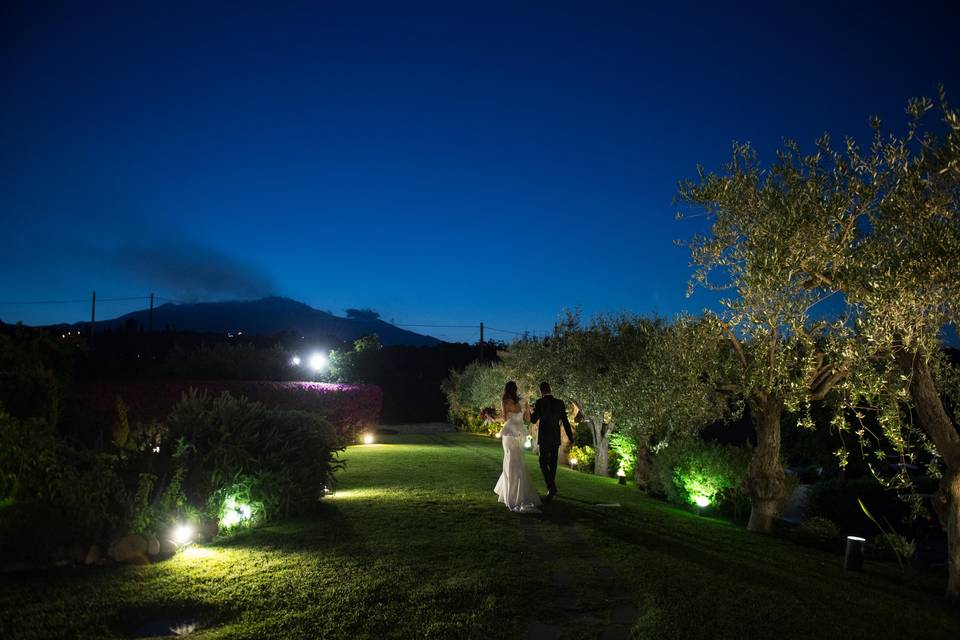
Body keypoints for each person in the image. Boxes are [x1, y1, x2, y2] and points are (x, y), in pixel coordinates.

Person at [494, 381, 541, 513]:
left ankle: (511, 494)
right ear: (516, 389)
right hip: (520, 433)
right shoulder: (523, 402)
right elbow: (527, 418)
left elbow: (504, 418)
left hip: (509, 433)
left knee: (509, 461)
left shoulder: (505, 401)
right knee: (519, 462)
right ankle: (518, 491)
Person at [528, 381, 574, 502]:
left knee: (542, 462)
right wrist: (571, 437)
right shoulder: (559, 403)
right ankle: (551, 490)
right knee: (553, 464)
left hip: (544, 437)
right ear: (550, 389)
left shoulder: (540, 402)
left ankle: (551, 487)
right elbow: (565, 421)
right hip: (555, 437)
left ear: (541, 391)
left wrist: (528, 410)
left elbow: (533, 420)